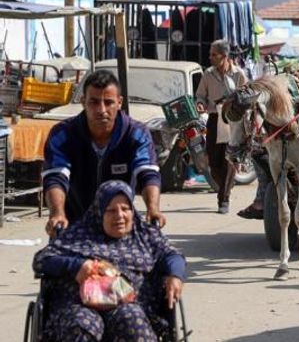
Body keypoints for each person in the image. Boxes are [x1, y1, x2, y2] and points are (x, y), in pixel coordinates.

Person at [32, 180, 186, 341]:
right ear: (99, 213)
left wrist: (175, 275)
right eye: (111, 210)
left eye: (125, 209)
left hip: (132, 305)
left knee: (132, 320)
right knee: (81, 324)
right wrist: (77, 266)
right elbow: (42, 260)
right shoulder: (77, 236)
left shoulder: (146, 236)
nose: (119, 216)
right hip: (79, 304)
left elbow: (172, 255)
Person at [43, 70, 164, 236]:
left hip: (119, 227)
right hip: (73, 225)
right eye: (94, 102)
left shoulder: (136, 134)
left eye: (108, 102)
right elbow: (56, 176)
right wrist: (57, 213)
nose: (101, 110)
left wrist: (153, 209)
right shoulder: (63, 134)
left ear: (119, 102)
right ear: (83, 101)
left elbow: (147, 173)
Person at [196, 40, 248, 214]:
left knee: (229, 160)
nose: (210, 57)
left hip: (233, 121)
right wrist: (200, 105)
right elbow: (200, 96)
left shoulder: (239, 74)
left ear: (224, 56)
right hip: (213, 119)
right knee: (214, 160)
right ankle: (225, 187)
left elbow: (247, 97)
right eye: (210, 54)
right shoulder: (208, 74)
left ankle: (223, 199)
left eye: (214, 54)